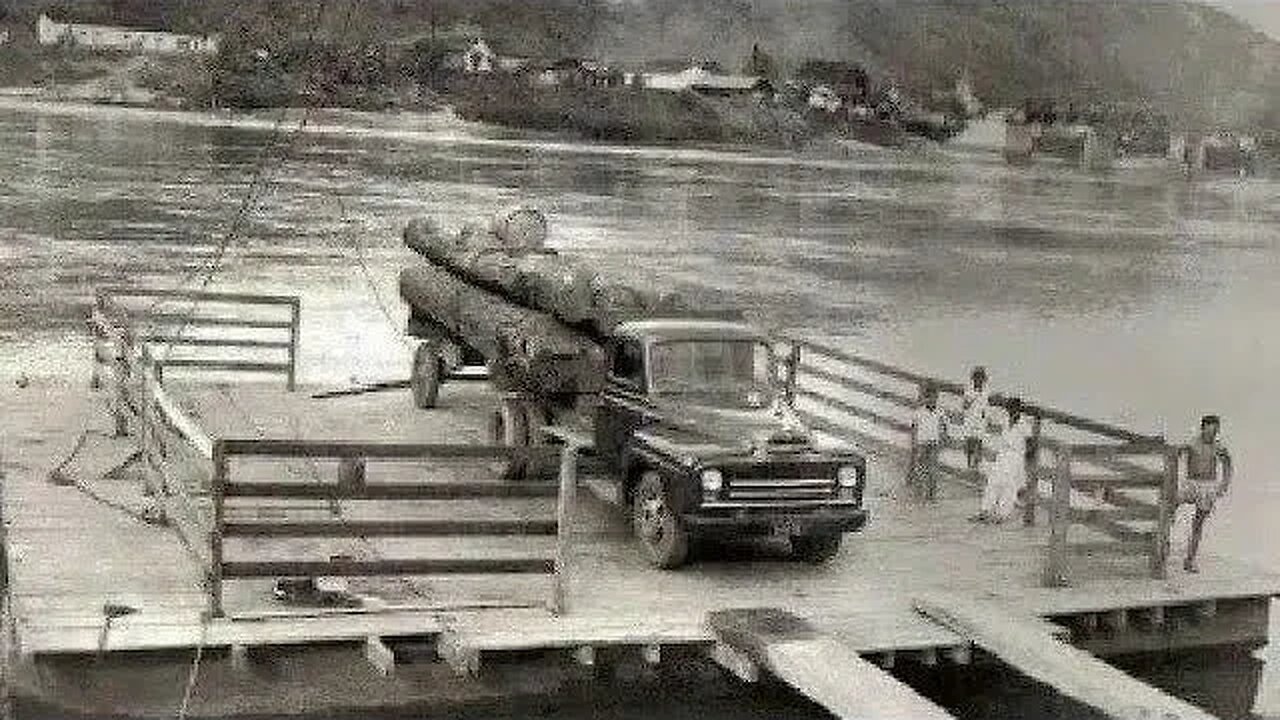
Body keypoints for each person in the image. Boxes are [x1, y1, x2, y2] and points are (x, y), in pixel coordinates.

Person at [1178, 415, 1233, 573]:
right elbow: (1175, 455)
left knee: (1198, 523)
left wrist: (1224, 485)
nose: (1213, 433)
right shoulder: (1191, 443)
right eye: (1210, 430)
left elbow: (1228, 465)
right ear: (1203, 428)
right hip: (1191, 483)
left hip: (1208, 486)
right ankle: (1163, 543)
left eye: (1216, 430)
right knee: (1170, 505)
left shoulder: (1218, 447)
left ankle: (1190, 559)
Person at [972, 398, 1032, 524]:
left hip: (1016, 455)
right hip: (1003, 453)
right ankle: (985, 510)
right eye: (1009, 409)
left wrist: (1025, 459)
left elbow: (1030, 443)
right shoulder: (1005, 419)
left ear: (1018, 410)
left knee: (1010, 485)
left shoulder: (1024, 424)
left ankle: (1002, 514)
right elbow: (991, 423)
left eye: (1013, 409)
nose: (1010, 411)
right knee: (993, 481)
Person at [907, 384, 947, 501]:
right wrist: (914, 442)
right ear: (925, 398)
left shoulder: (940, 412)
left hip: (934, 442)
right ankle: (918, 492)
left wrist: (943, 439)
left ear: (937, 398)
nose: (932, 400)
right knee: (920, 468)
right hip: (922, 443)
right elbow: (914, 428)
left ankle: (931, 494)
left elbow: (944, 427)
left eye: (934, 397)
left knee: (933, 469)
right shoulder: (918, 412)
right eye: (929, 397)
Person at [962, 366, 991, 471]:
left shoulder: (986, 391)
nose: (979, 379)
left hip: (980, 419)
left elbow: (986, 405)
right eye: (977, 377)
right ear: (973, 378)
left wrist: (986, 417)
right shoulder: (968, 389)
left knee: (979, 442)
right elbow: (965, 405)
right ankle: (969, 464)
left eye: (981, 377)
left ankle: (977, 466)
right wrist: (974, 395)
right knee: (970, 442)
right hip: (970, 417)